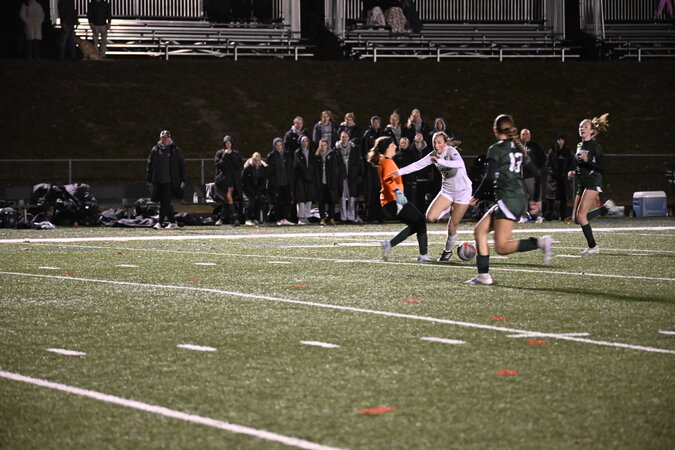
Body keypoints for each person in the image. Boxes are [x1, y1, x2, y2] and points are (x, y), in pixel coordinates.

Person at [464, 115, 553, 285]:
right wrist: (534, 199)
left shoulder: (496, 149)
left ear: (495, 130)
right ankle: (483, 276)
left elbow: (489, 177)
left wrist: (476, 196)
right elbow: (535, 173)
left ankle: (541, 243)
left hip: (507, 199)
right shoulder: (518, 147)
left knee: (502, 247)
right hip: (516, 198)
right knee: (479, 230)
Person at [388, 131, 472, 261]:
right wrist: (399, 172)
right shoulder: (433, 155)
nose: (436, 145)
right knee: (430, 217)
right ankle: (447, 209)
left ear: (445, 144)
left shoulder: (451, 151)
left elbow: (459, 163)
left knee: (452, 226)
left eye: (439, 142)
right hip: (447, 191)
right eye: (434, 142)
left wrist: (440, 161)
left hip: (463, 192)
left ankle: (447, 252)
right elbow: (417, 165)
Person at [369, 136, 432, 261]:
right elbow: (388, 180)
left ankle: (390, 244)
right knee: (420, 220)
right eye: (393, 145)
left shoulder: (384, 160)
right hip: (393, 200)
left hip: (390, 201)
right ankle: (423, 255)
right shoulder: (387, 161)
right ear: (387, 148)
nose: (396, 147)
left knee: (417, 223)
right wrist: (397, 192)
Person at [572, 113, 620, 254]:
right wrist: (574, 172)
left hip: (593, 181)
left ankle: (593, 247)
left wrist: (588, 161)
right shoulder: (579, 145)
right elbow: (581, 165)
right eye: (580, 127)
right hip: (582, 183)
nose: (582, 129)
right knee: (576, 219)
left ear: (592, 131)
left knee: (581, 216)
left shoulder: (595, 146)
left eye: (585, 127)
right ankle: (605, 209)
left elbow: (602, 167)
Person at [147, 130, 186, 230]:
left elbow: (182, 165)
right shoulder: (155, 149)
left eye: (166, 137)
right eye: (163, 137)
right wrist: (150, 180)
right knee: (164, 203)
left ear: (170, 138)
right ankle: (173, 222)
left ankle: (159, 223)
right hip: (158, 180)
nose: (165, 139)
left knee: (165, 202)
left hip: (170, 181)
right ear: (160, 138)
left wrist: (183, 179)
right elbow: (150, 165)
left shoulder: (175, 150)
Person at [544, 133, 575, 221]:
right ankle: (548, 216)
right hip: (553, 178)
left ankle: (564, 216)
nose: (560, 142)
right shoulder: (552, 150)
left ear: (564, 141)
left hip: (564, 179)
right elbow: (548, 164)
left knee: (563, 198)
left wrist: (568, 172)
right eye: (558, 140)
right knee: (551, 198)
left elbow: (572, 163)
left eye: (561, 140)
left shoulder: (568, 151)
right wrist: (553, 173)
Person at [519, 128, 547, 223]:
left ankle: (538, 216)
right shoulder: (517, 146)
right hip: (520, 176)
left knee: (535, 196)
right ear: (520, 136)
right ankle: (523, 216)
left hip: (531, 176)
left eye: (526, 134)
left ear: (530, 135)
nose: (525, 136)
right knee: (522, 197)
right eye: (523, 134)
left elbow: (543, 158)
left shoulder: (535, 145)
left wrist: (536, 168)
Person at [214, 135, 243, 226]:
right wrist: (225, 155)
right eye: (226, 143)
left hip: (232, 180)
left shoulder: (235, 153)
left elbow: (238, 165)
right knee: (227, 199)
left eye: (229, 143)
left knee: (228, 198)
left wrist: (231, 154)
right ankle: (235, 218)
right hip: (222, 180)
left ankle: (223, 219)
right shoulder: (219, 153)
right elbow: (219, 165)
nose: (228, 144)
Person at [335, 130, 363, 223]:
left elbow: (358, 162)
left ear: (348, 138)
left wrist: (355, 172)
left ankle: (351, 217)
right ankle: (343, 217)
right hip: (341, 177)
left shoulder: (354, 148)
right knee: (342, 197)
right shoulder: (336, 149)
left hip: (352, 176)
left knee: (352, 197)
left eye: (345, 137)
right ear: (340, 138)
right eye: (342, 137)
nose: (344, 139)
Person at [266, 137, 295, 226]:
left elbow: (290, 168)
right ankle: (278, 219)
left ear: (282, 145)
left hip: (286, 182)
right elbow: (270, 172)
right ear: (274, 146)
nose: (279, 147)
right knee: (277, 202)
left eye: (280, 145)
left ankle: (284, 218)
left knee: (288, 200)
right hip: (277, 183)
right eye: (277, 145)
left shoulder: (287, 154)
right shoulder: (271, 156)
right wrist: (272, 182)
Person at [361, 115, 385, 222]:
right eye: (374, 123)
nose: (376, 124)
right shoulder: (367, 134)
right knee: (371, 191)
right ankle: (370, 214)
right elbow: (364, 150)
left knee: (380, 190)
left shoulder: (383, 134)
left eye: (377, 122)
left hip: (381, 167)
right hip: (371, 168)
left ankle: (380, 215)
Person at [314, 138, 343, 226]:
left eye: (324, 145)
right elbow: (315, 169)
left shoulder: (332, 155)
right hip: (321, 182)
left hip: (330, 182)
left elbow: (336, 169)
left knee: (331, 201)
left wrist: (334, 181)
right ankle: (322, 218)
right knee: (321, 202)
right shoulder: (317, 156)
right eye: (321, 145)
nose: (322, 147)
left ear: (327, 146)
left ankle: (331, 218)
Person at [392, 136, 421, 211]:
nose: (404, 144)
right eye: (402, 143)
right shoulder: (396, 156)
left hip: (411, 181)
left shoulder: (413, 154)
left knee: (411, 201)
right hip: (400, 182)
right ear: (399, 144)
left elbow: (417, 166)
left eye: (405, 143)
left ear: (408, 144)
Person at [294, 136, 316, 225]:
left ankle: (307, 217)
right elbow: (298, 165)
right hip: (300, 178)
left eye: (306, 141)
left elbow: (313, 164)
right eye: (303, 141)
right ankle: (301, 218)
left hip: (310, 178)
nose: (305, 142)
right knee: (301, 198)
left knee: (309, 197)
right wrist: (306, 175)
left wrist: (310, 175)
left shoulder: (312, 152)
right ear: (300, 142)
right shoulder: (297, 152)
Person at [242, 152, 268, 226]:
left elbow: (263, 180)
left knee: (260, 199)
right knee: (251, 201)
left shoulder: (262, 168)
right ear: (252, 160)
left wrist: (258, 191)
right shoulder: (247, 168)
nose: (257, 162)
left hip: (257, 189)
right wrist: (252, 191)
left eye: (258, 160)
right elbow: (244, 181)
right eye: (255, 160)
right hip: (247, 190)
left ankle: (257, 219)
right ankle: (248, 219)